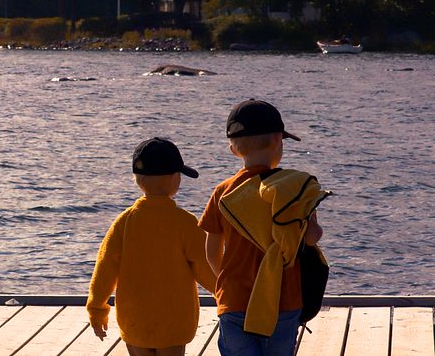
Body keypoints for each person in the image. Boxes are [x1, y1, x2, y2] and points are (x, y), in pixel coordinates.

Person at [199, 99, 325, 356]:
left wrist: (221, 286)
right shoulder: (293, 189)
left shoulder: (223, 192)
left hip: (234, 298)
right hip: (282, 299)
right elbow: (312, 238)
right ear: (278, 141)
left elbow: (211, 251)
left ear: (234, 149)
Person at [86, 137, 217, 356]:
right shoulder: (185, 223)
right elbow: (206, 268)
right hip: (174, 321)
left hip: (134, 320)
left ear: (137, 179)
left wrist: (96, 310)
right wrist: (225, 296)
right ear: (175, 179)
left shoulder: (124, 222)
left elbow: (105, 269)